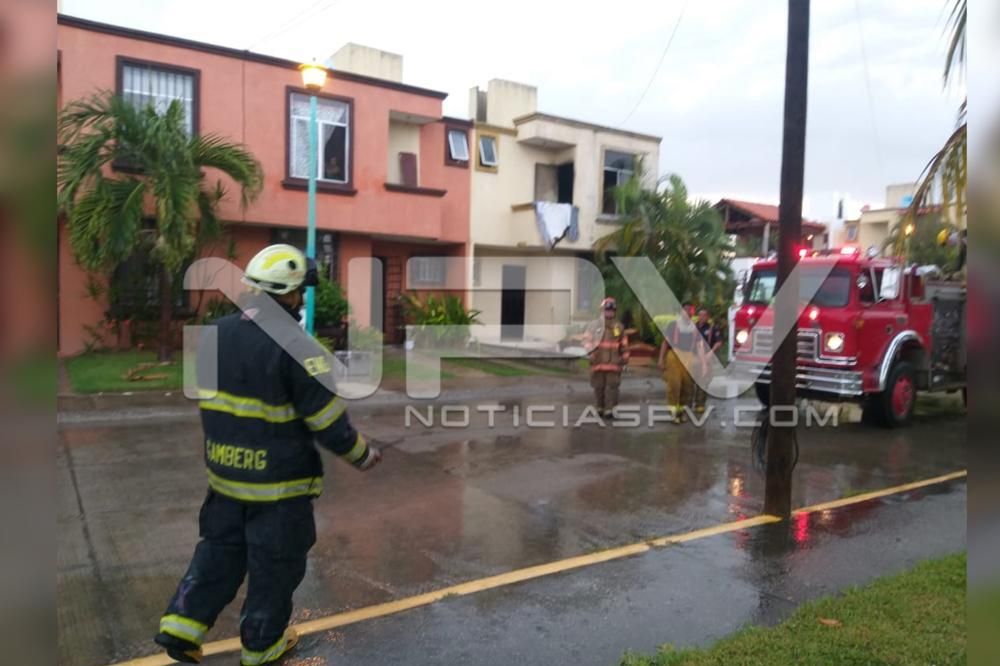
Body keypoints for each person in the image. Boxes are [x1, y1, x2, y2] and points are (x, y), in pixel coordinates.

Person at [154, 244, 382, 666]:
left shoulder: (215, 335)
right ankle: (262, 646)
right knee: (275, 567)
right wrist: (364, 455)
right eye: (301, 292)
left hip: (224, 480)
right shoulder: (301, 349)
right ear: (292, 295)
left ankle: (182, 624)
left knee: (218, 552)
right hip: (278, 490)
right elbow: (329, 425)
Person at [582, 297, 630, 418]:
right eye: (606, 310)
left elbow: (624, 345)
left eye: (611, 310)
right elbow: (587, 341)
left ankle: (610, 409)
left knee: (612, 387)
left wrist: (624, 359)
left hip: (614, 364)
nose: (608, 312)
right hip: (597, 363)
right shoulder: (593, 326)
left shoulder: (618, 327)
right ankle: (600, 407)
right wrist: (590, 352)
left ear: (614, 312)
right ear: (601, 311)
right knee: (598, 387)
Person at [657, 303, 697, 423]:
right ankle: (674, 413)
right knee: (674, 385)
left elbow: (699, 346)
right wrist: (661, 359)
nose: (688, 312)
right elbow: (665, 343)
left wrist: (703, 363)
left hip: (689, 357)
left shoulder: (694, 328)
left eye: (690, 310)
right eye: (685, 310)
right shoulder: (673, 325)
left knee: (688, 387)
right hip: (674, 356)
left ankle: (683, 412)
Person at [692, 307, 724, 415]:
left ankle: (700, 405)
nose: (702, 317)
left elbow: (719, 342)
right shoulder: (693, 327)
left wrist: (711, 352)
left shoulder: (712, 328)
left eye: (704, 315)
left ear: (708, 317)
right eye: (700, 315)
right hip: (693, 357)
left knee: (703, 382)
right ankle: (687, 403)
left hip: (706, 358)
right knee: (690, 382)